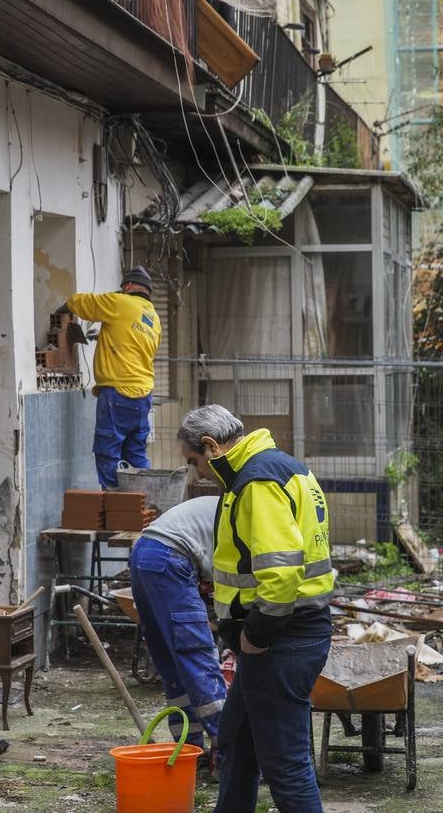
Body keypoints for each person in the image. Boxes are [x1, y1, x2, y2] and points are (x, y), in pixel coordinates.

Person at [177, 405, 334, 813]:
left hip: (280, 640)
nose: (197, 473)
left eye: (194, 462)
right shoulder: (283, 467)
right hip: (285, 637)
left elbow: (280, 575)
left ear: (210, 447)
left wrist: (255, 637)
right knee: (236, 746)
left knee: (285, 765)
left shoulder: (257, 481)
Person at [130, 495, 226, 769]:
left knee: (172, 661)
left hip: (144, 554)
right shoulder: (245, 515)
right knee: (197, 655)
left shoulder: (226, 505)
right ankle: (228, 753)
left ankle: (187, 752)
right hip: (171, 558)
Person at [59, 266, 161, 489]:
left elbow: (83, 303)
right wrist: (106, 335)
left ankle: (115, 504)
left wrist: (66, 305)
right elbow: (131, 344)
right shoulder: (152, 316)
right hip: (143, 395)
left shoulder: (120, 302)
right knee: (135, 452)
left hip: (118, 392)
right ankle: (143, 500)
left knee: (108, 450)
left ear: (128, 286)